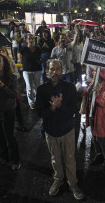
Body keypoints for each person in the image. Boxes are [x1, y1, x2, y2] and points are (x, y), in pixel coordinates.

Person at [35, 59, 84, 199]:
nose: (55, 72)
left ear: (62, 71)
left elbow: (73, 111)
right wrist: (52, 107)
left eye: (57, 69)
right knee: (55, 159)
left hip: (67, 131)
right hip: (50, 132)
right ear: (47, 71)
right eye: (52, 69)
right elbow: (40, 113)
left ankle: (73, 183)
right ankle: (58, 179)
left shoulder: (69, 88)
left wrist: (60, 106)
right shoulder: (42, 90)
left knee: (69, 158)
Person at [85, 69, 105, 171]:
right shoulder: (94, 82)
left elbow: (103, 102)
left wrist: (97, 93)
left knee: (100, 138)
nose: (93, 73)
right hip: (92, 113)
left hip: (100, 115)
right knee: (94, 136)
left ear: (102, 73)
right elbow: (88, 93)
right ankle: (99, 155)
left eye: (96, 72)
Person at [0, 48, 26, 132]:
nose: (1, 53)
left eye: (3, 51)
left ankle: (21, 124)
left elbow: (17, 75)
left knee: (16, 106)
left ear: (6, 53)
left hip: (11, 89)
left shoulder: (11, 62)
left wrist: (12, 74)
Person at [19, 34, 42, 109]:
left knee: (37, 86)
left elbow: (40, 57)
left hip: (37, 69)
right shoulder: (23, 49)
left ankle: (37, 100)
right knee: (29, 86)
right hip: (27, 70)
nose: (31, 40)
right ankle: (31, 102)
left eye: (32, 38)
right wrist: (24, 64)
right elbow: (20, 58)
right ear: (26, 40)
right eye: (29, 39)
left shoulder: (38, 48)